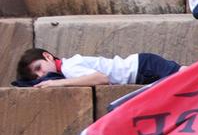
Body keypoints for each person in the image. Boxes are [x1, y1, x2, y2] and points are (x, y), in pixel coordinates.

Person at [13, 47, 182, 88]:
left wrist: (56, 84)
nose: (42, 75)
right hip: (141, 69)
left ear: (48, 56)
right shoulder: (68, 67)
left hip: (143, 67)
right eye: (37, 76)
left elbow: (102, 78)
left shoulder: (69, 68)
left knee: (185, 74)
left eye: (39, 68)